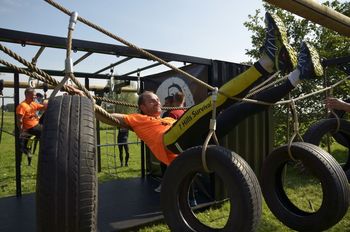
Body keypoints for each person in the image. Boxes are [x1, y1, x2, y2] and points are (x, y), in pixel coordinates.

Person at [16, 87, 47, 155]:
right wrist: (21, 131)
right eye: (34, 95)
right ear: (27, 95)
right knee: (47, 131)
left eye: (35, 95)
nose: (35, 97)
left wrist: (47, 103)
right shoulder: (22, 106)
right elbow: (19, 120)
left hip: (36, 125)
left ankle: (27, 147)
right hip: (31, 127)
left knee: (46, 126)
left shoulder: (33, 103)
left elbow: (43, 107)